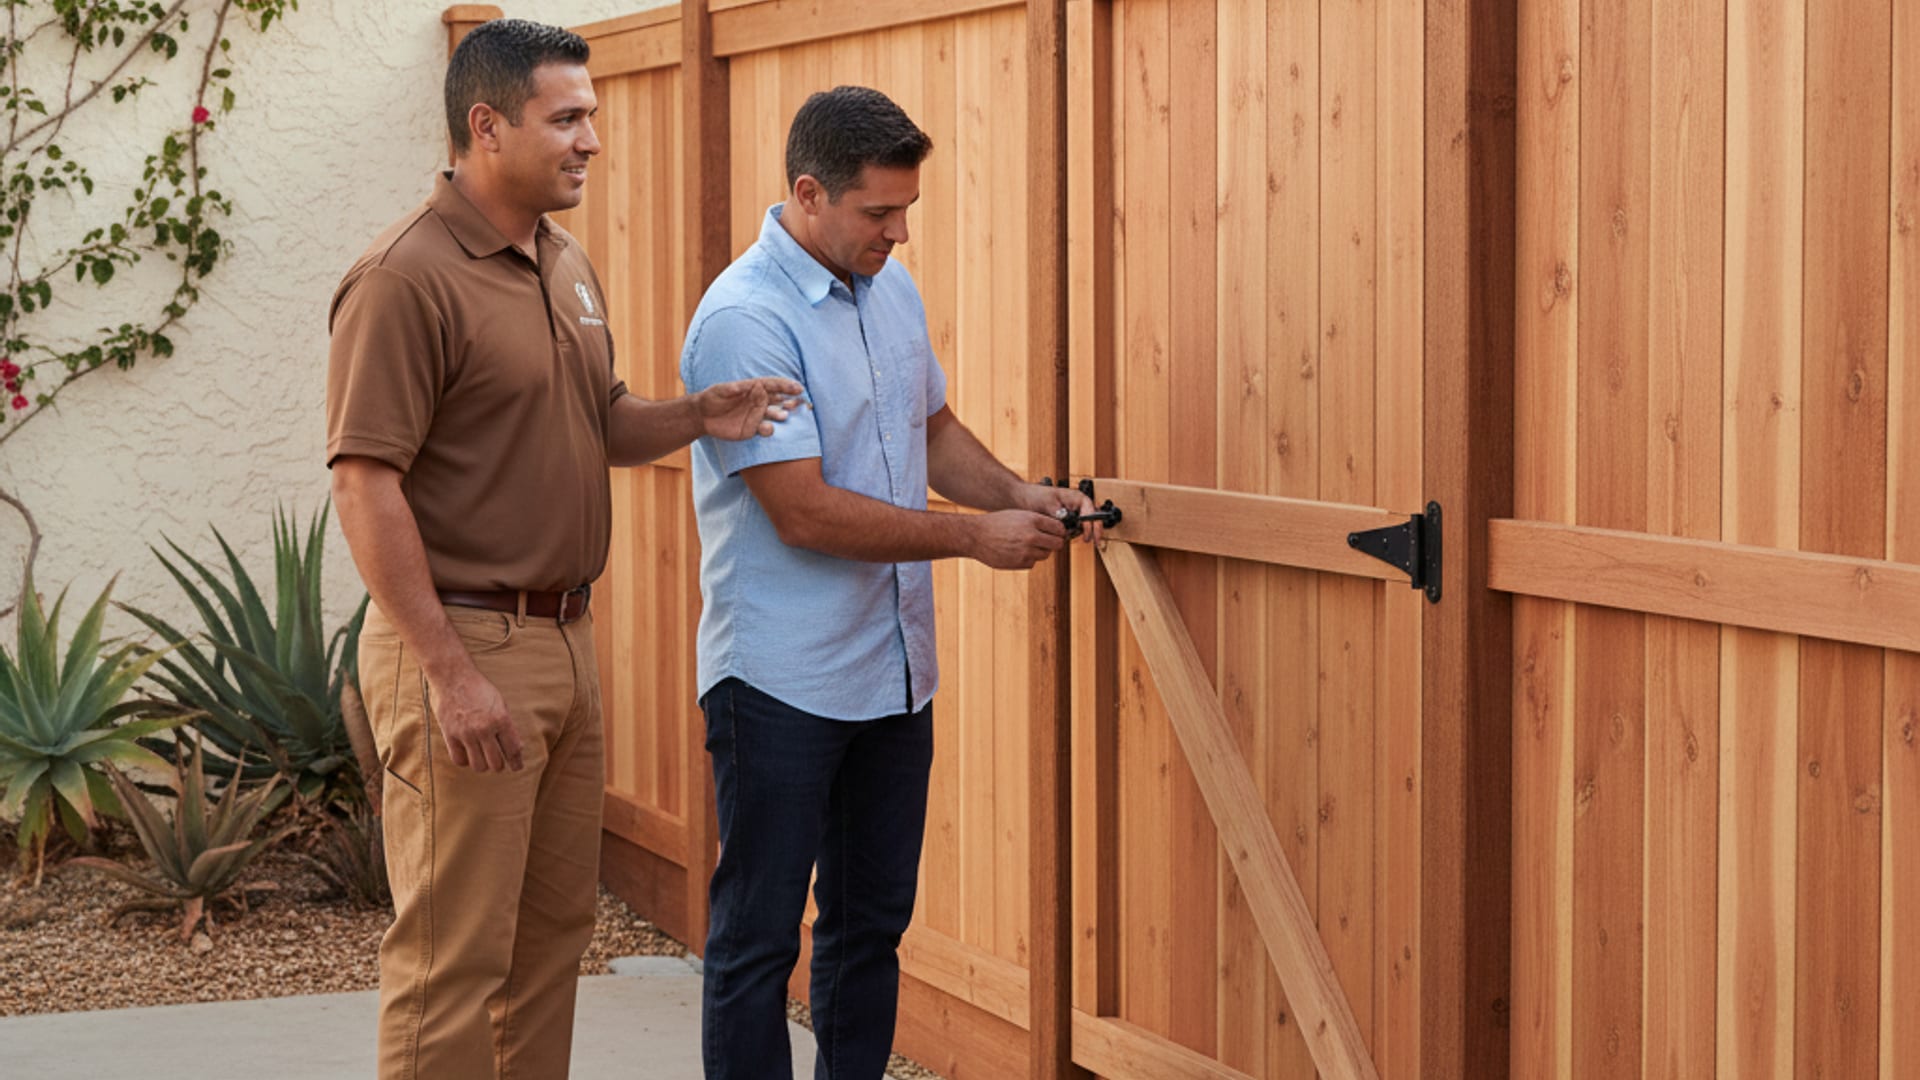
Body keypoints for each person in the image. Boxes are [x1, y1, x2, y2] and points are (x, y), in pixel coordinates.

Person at [325, 20, 801, 1080]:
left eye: (592, 116)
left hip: (565, 642)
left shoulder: (562, 257)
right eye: (568, 118)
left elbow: (600, 414)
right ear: (486, 126)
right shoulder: (404, 279)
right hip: (461, 647)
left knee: (550, 943)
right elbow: (364, 485)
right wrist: (448, 672)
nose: (593, 138)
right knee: (455, 960)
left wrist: (694, 415)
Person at [680, 85, 1100, 1080]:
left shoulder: (888, 288)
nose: (899, 232)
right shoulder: (745, 320)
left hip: (892, 673)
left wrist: (1017, 494)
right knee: (759, 938)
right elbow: (804, 510)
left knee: (869, 927)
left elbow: (931, 428)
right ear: (809, 192)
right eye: (879, 212)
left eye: (906, 209)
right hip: (777, 681)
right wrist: (972, 538)